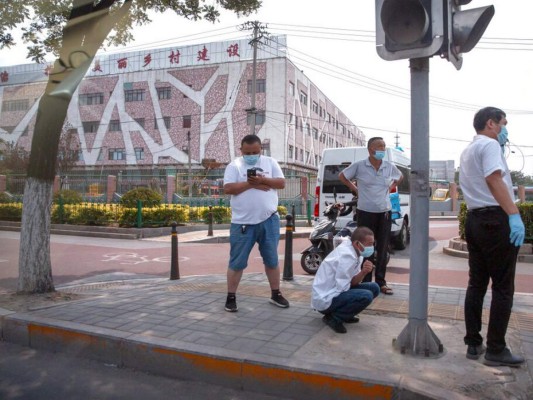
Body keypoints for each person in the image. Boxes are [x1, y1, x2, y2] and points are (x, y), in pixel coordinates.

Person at [459, 107, 525, 367]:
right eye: (503, 123)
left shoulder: (468, 150)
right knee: (502, 287)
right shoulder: (489, 145)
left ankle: (474, 344)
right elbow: (493, 178)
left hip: (475, 220)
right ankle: (496, 349)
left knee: (476, 284)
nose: (505, 129)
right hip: (495, 221)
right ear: (491, 123)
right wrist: (514, 214)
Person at [223, 134, 289, 312]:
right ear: (241, 150)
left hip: (269, 220)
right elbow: (228, 188)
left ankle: (276, 293)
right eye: (247, 152)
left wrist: (262, 180)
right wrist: (252, 184)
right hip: (242, 223)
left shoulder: (270, 162)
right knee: (236, 262)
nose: (251, 155)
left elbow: (281, 183)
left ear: (261, 149)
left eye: (254, 152)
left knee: (272, 260)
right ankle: (231, 297)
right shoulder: (234, 165)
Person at [338, 137, 403, 295]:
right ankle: (365, 281)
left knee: (382, 247)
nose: (382, 149)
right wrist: (355, 189)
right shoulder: (360, 166)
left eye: (384, 146)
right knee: (365, 248)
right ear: (370, 149)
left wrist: (391, 187)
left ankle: (381, 282)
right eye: (379, 146)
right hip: (365, 212)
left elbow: (400, 177)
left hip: (384, 212)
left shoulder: (389, 166)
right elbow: (342, 176)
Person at [311, 226, 380, 334]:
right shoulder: (346, 256)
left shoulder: (356, 252)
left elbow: (352, 282)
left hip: (336, 291)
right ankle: (334, 318)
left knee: (374, 288)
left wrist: (363, 272)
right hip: (326, 298)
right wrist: (363, 272)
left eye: (373, 243)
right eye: (369, 244)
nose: (372, 247)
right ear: (357, 243)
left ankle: (347, 314)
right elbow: (346, 286)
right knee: (366, 296)